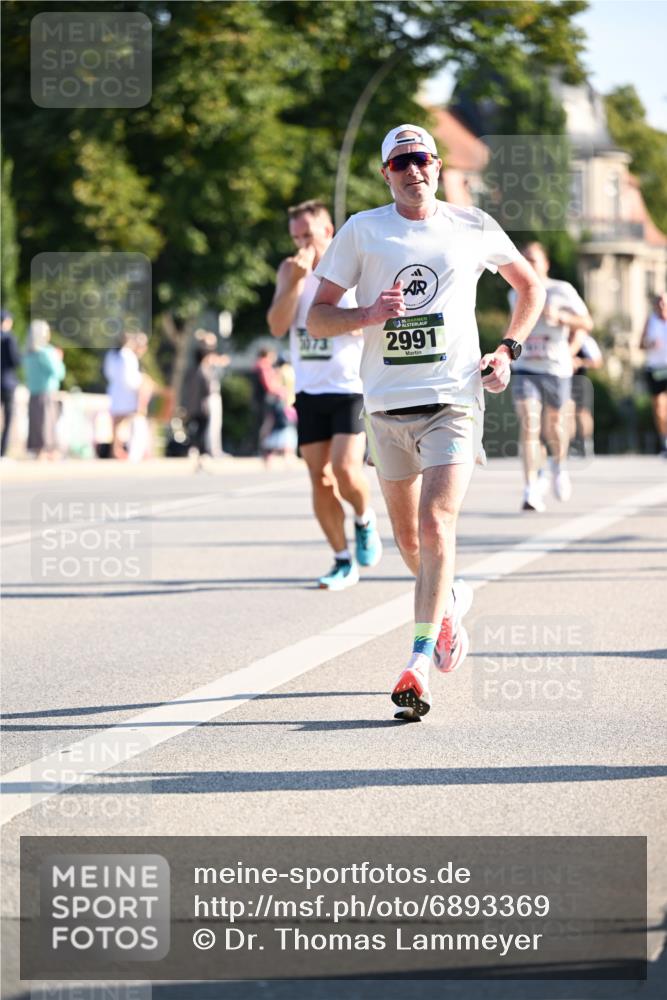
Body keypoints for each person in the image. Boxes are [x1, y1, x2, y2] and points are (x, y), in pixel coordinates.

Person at [308, 123, 545, 719]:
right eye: (402, 162)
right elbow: (316, 319)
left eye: (424, 160)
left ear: (438, 167)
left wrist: (507, 350)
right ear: (385, 173)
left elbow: (529, 287)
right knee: (409, 542)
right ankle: (450, 602)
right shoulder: (363, 231)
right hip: (387, 406)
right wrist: (366, 312)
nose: (415, 170)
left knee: (436, 523)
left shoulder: (471, 227)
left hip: (454, 401)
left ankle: (417, 663)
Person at [267, 199, 382, 590]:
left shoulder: (350, 269)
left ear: (328, 232)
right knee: (319, 477)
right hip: (309, 390)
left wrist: (334, 323)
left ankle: (365, 519)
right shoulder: (289, 269)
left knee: (346, 469)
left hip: (350, 386)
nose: (302, 244)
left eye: (309, 236)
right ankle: (341, 559)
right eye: (296, 237)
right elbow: (278, 326)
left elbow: (370, 325)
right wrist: (295, 284)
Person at [509, 242, 593, 511]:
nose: (529, 264)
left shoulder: (562, 290)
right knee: (529, 423)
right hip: (525, 367)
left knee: (554, 425)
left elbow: (587, 323)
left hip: (555, 367)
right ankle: (531, 487)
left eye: (533, 259)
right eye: (524, 260)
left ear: (545, 263)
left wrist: (561, 318)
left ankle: (558, 465)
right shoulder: (516, 292)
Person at [23, 319, 66, 459]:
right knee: (47, 423)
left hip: (33, 392)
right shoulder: (46, 352)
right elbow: (59, 373)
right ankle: (48, 450)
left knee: (35, 422)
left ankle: (37, 450)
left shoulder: (28, 353)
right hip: (47, 391)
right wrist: (59, 358)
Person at [103, 331, 143, 459]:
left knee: (116, 423)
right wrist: (140, 384)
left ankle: (116, 448)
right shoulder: (127, 355)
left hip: (115, 391)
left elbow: (108, 373)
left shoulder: (111, 354)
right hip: (126, 393)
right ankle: (121, 449)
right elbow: (130, 378)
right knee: (126, 422)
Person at [640, 292, 667, 456]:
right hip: (655, 369)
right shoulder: (650, 321)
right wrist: (649, 343)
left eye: (664, 302)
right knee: (659, 408)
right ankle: (665, 441)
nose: (662, 305)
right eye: (659, 302)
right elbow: (640, 345)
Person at [570, 331, 603, 458]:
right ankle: (570, 445)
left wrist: (581, 362)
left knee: (583, 412)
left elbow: (597, 362)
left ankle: (586, 443)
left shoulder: (585, 340)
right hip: (561, 379)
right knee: (567, 413)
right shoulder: (559, 335)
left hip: (579, 380)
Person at [1, 309, 21, 458]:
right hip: (7, 382)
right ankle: (3, 451)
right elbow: (16, 361)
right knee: (8, 418)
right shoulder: (9, 338)